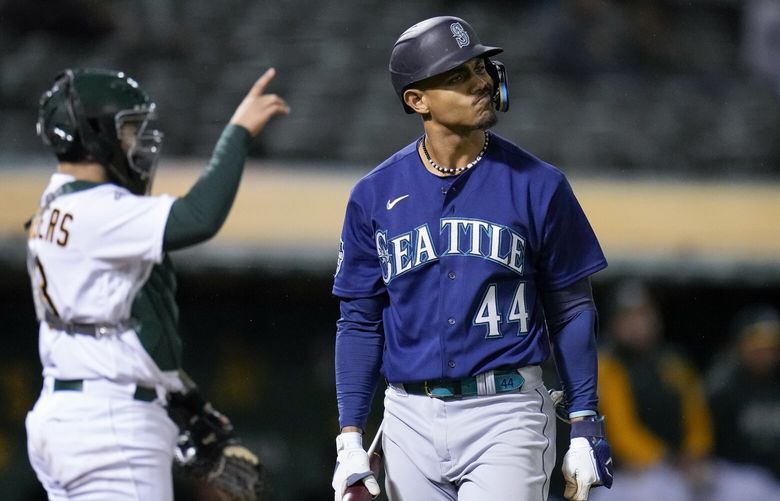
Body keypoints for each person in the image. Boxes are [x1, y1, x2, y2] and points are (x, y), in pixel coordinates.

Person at [331, 16, 613, 501]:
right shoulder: (374, 194)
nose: (481, 81)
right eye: (457, 75)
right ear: (417, 100)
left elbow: (570, 308)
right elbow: (359, 319)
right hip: (407, 415)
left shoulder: (539, 184)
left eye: (481, 67)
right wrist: (350, 436)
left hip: (505, 411)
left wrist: (586, 422)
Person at [25, 67, 289, 500]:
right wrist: (239, 131)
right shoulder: (97, 209)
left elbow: (128, 319)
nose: (137, 140)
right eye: (128, 128)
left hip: (68, 414)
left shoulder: (55, 203)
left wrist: (186, 401)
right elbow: (198, 218)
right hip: (109, 425)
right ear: (93, 133)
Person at [589, 280, 713, 501]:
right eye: (628, 317)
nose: (637, 324)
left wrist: (695, 455)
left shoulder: (673, 363)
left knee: (755, 488)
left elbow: (696, 419)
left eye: (643, 315)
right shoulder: (606, 365)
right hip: (625, 476)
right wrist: (670, 460)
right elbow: (621, 432)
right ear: (615, 323)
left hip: (681, 469)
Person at [706, 304, 780, 480]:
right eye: (756, 345)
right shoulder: (722, 386)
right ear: (739, 345)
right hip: (736, 481)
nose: (763, 353)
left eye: (770, 345)